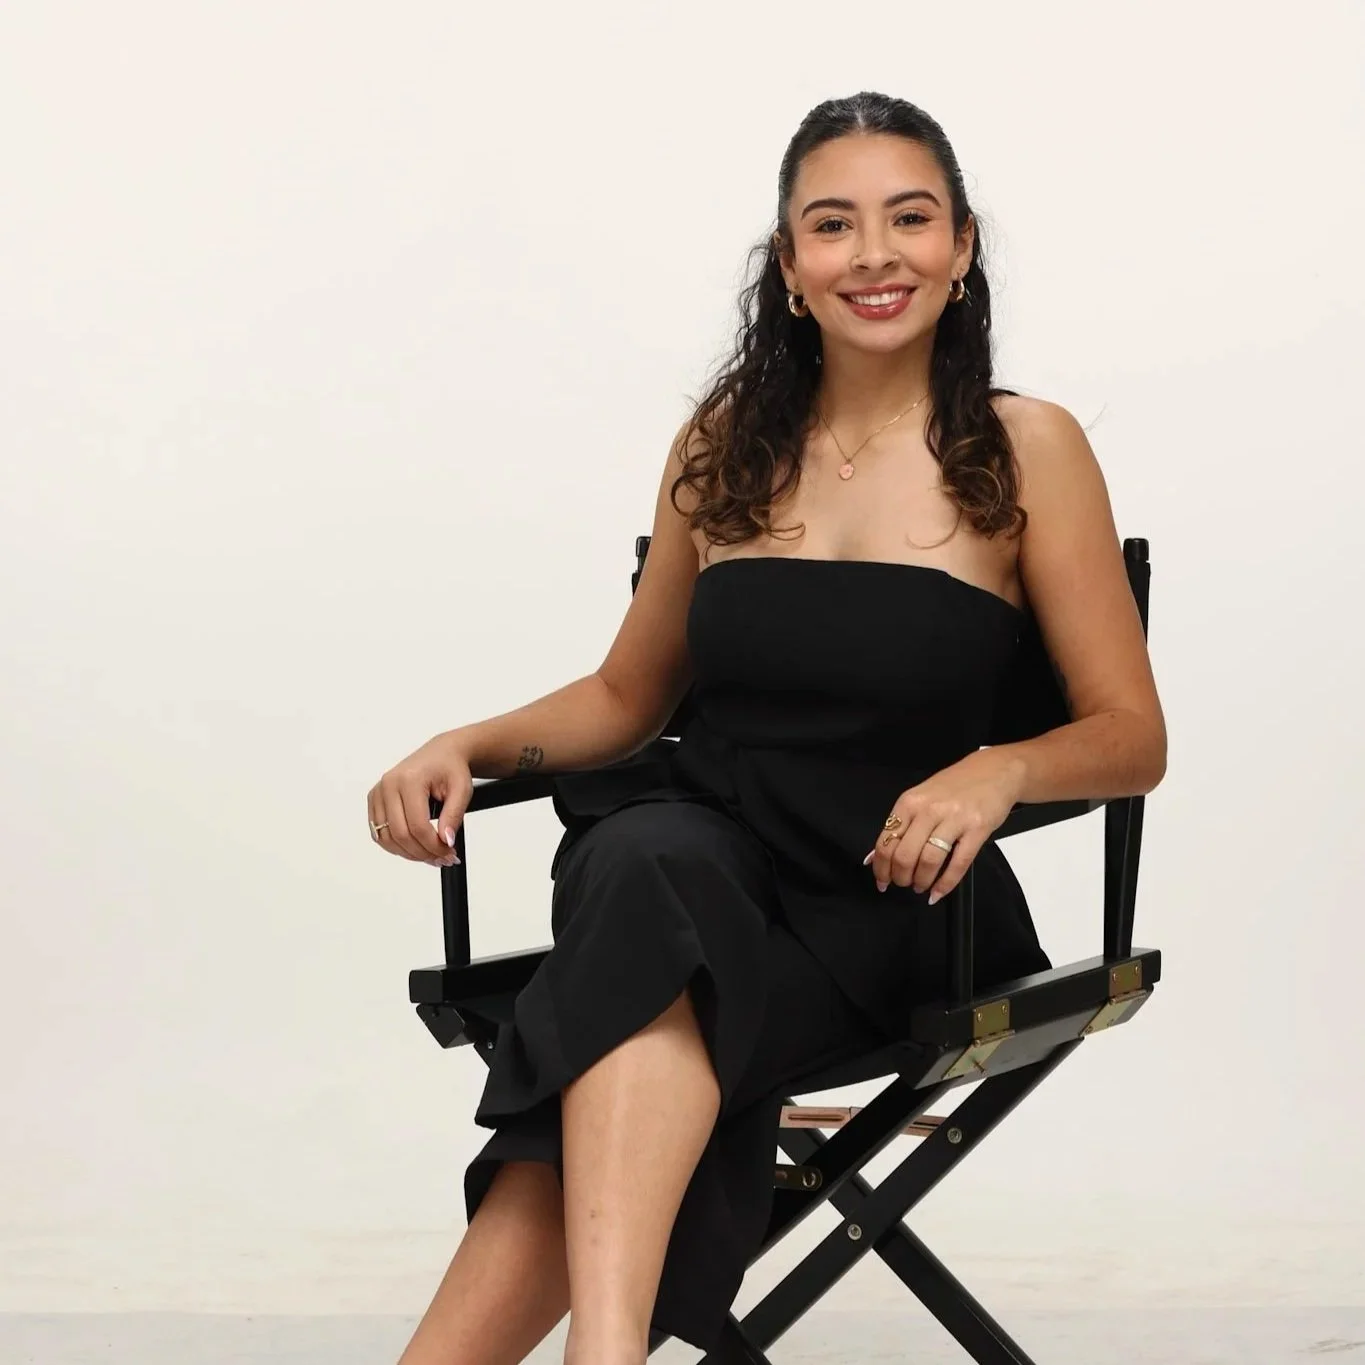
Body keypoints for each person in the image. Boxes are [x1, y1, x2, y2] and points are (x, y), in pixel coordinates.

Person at [365, 91, 1167, 1365]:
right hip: (702, 861)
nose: (875, 254)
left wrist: (996, 771)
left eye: (909, 219)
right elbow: (630, 699)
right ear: (790, 265)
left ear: (961, 247)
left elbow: (1133, 734)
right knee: (649, 870)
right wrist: (464, 742)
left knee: (625, 984)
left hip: (899, 907)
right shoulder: (724, 446)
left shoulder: (1029, 449)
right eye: (833, 225)